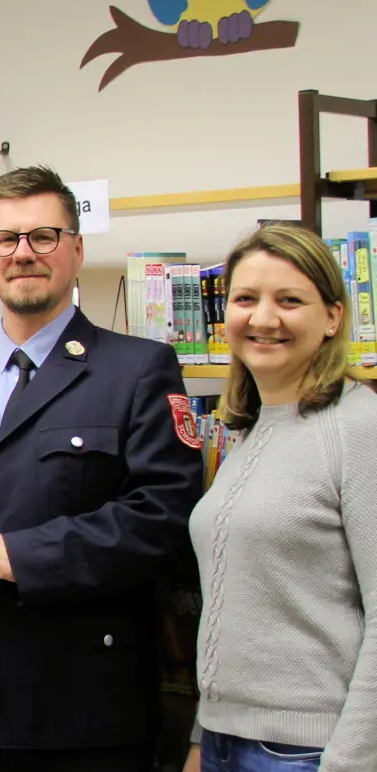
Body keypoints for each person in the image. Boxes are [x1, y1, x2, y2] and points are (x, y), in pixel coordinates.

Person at [0, 166, 205, 772]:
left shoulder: (138, 369)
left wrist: (28, 554)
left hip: (84, 711)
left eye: (44, 236)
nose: (23, 254)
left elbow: (164, 518)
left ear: (77, 249)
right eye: (5, 239)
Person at [183, 224, 377, 772]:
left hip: (308, 751)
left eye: (289, 300)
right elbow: (238, 605)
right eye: (246, 299)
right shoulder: (251, 428)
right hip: (224, 740)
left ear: (333, 316)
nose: (263, 319)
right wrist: (203, 736)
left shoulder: (359, 428)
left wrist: (350, 762)